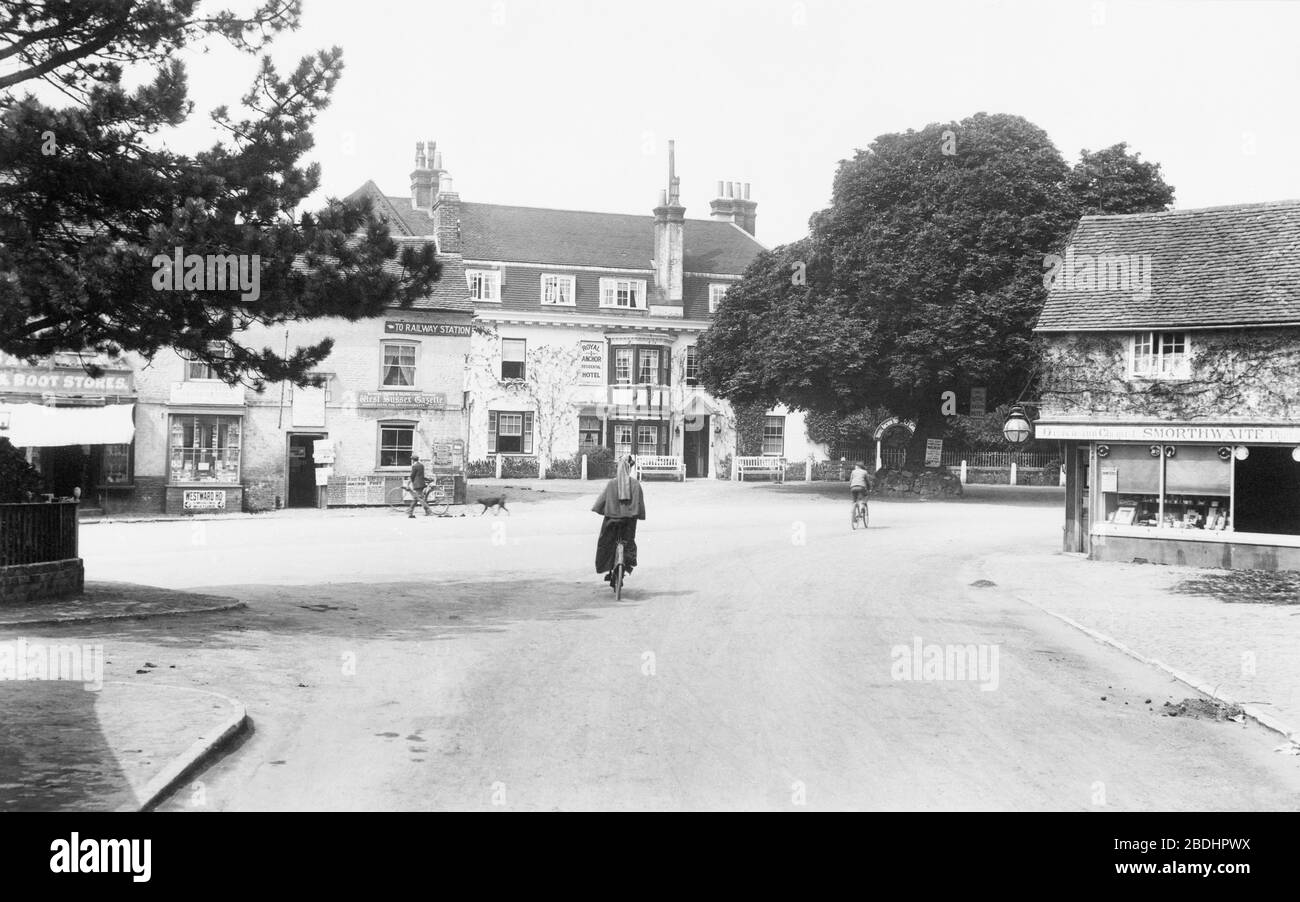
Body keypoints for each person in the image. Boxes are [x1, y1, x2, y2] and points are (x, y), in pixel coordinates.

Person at [593, 454, 646, 586]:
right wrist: (638, 515)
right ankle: (625, 567)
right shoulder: (635, 484)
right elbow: (640, 504)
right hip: (629, 521)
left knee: (606, 542)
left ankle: (608, 568)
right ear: (630, 468)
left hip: (612, 520)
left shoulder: (611, 483)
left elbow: (601, 501)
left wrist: (600, 510)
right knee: (629, 543)